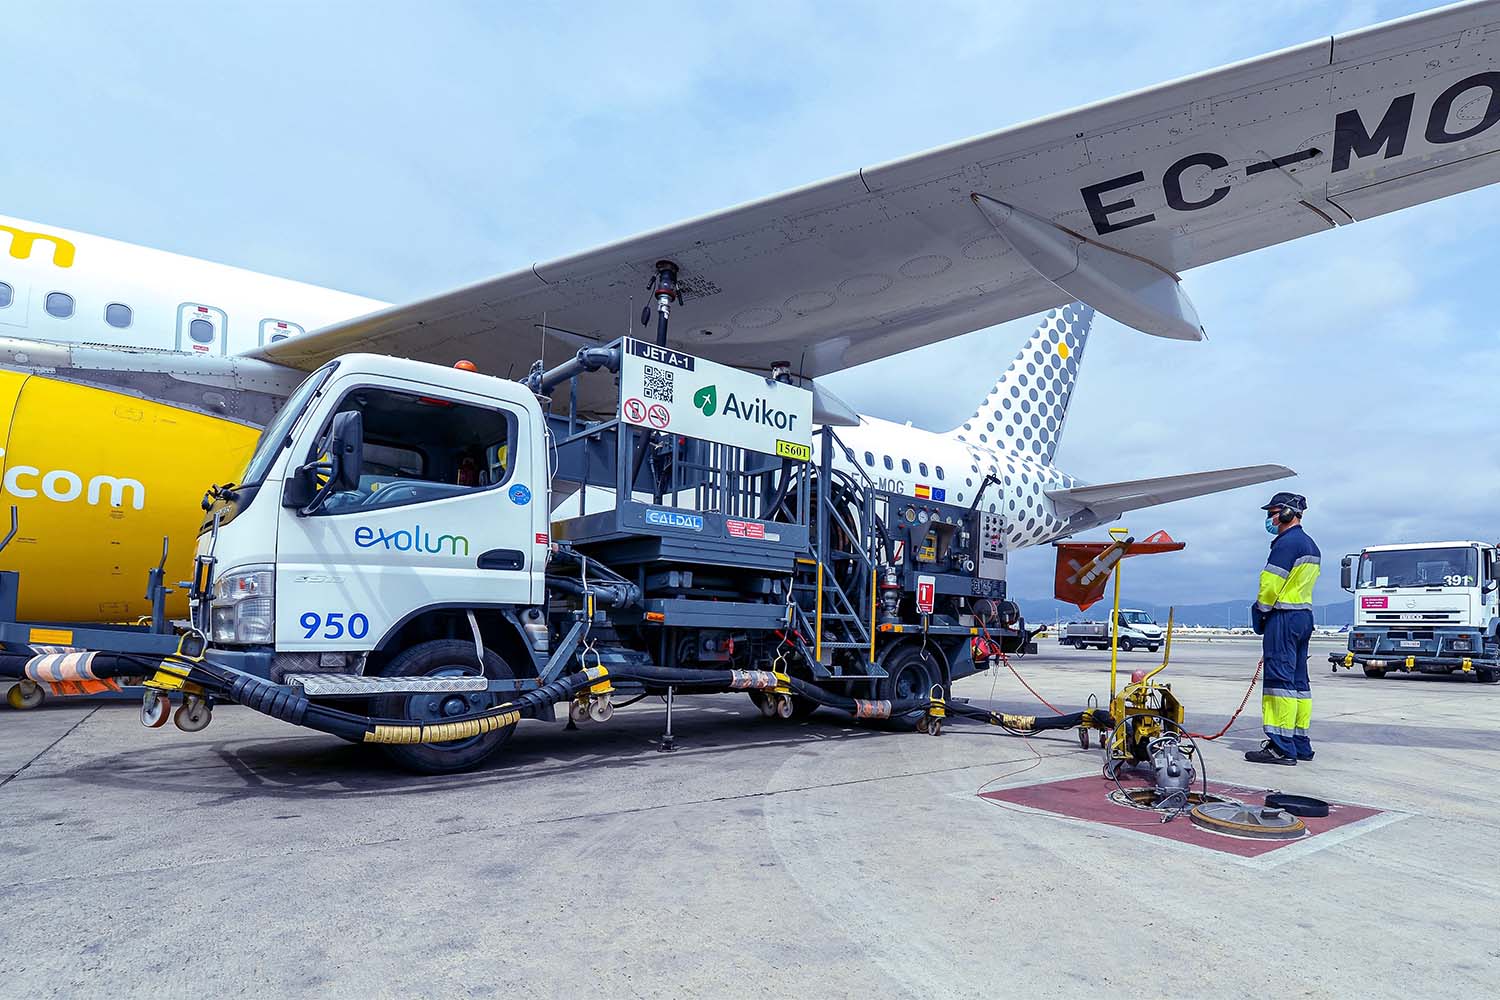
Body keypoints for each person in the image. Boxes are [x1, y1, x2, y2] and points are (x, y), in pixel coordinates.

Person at [1246, 492, 1320, 766]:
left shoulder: (1286, 544)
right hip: (1303, 616)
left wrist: (1262, 612)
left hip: (1284, 618)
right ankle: (1300, 742)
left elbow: (1270, 585)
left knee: (1279, 683)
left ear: (1288, 513)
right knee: (1299, 684)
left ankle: (1280, 746)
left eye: (1273, 512)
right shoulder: (1310, 544)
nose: (1270, 518)